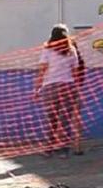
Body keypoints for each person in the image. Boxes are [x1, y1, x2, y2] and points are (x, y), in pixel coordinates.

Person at [34, 24, 83, 157]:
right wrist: (77, 89)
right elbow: (75, 72)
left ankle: (48, 148)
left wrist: (36, 89)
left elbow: (42, 71)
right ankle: (64, 150)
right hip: (68, 86)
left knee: (51, 119)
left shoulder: (47, 51)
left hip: (50, 87)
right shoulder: (71, 50)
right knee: (65, 119)